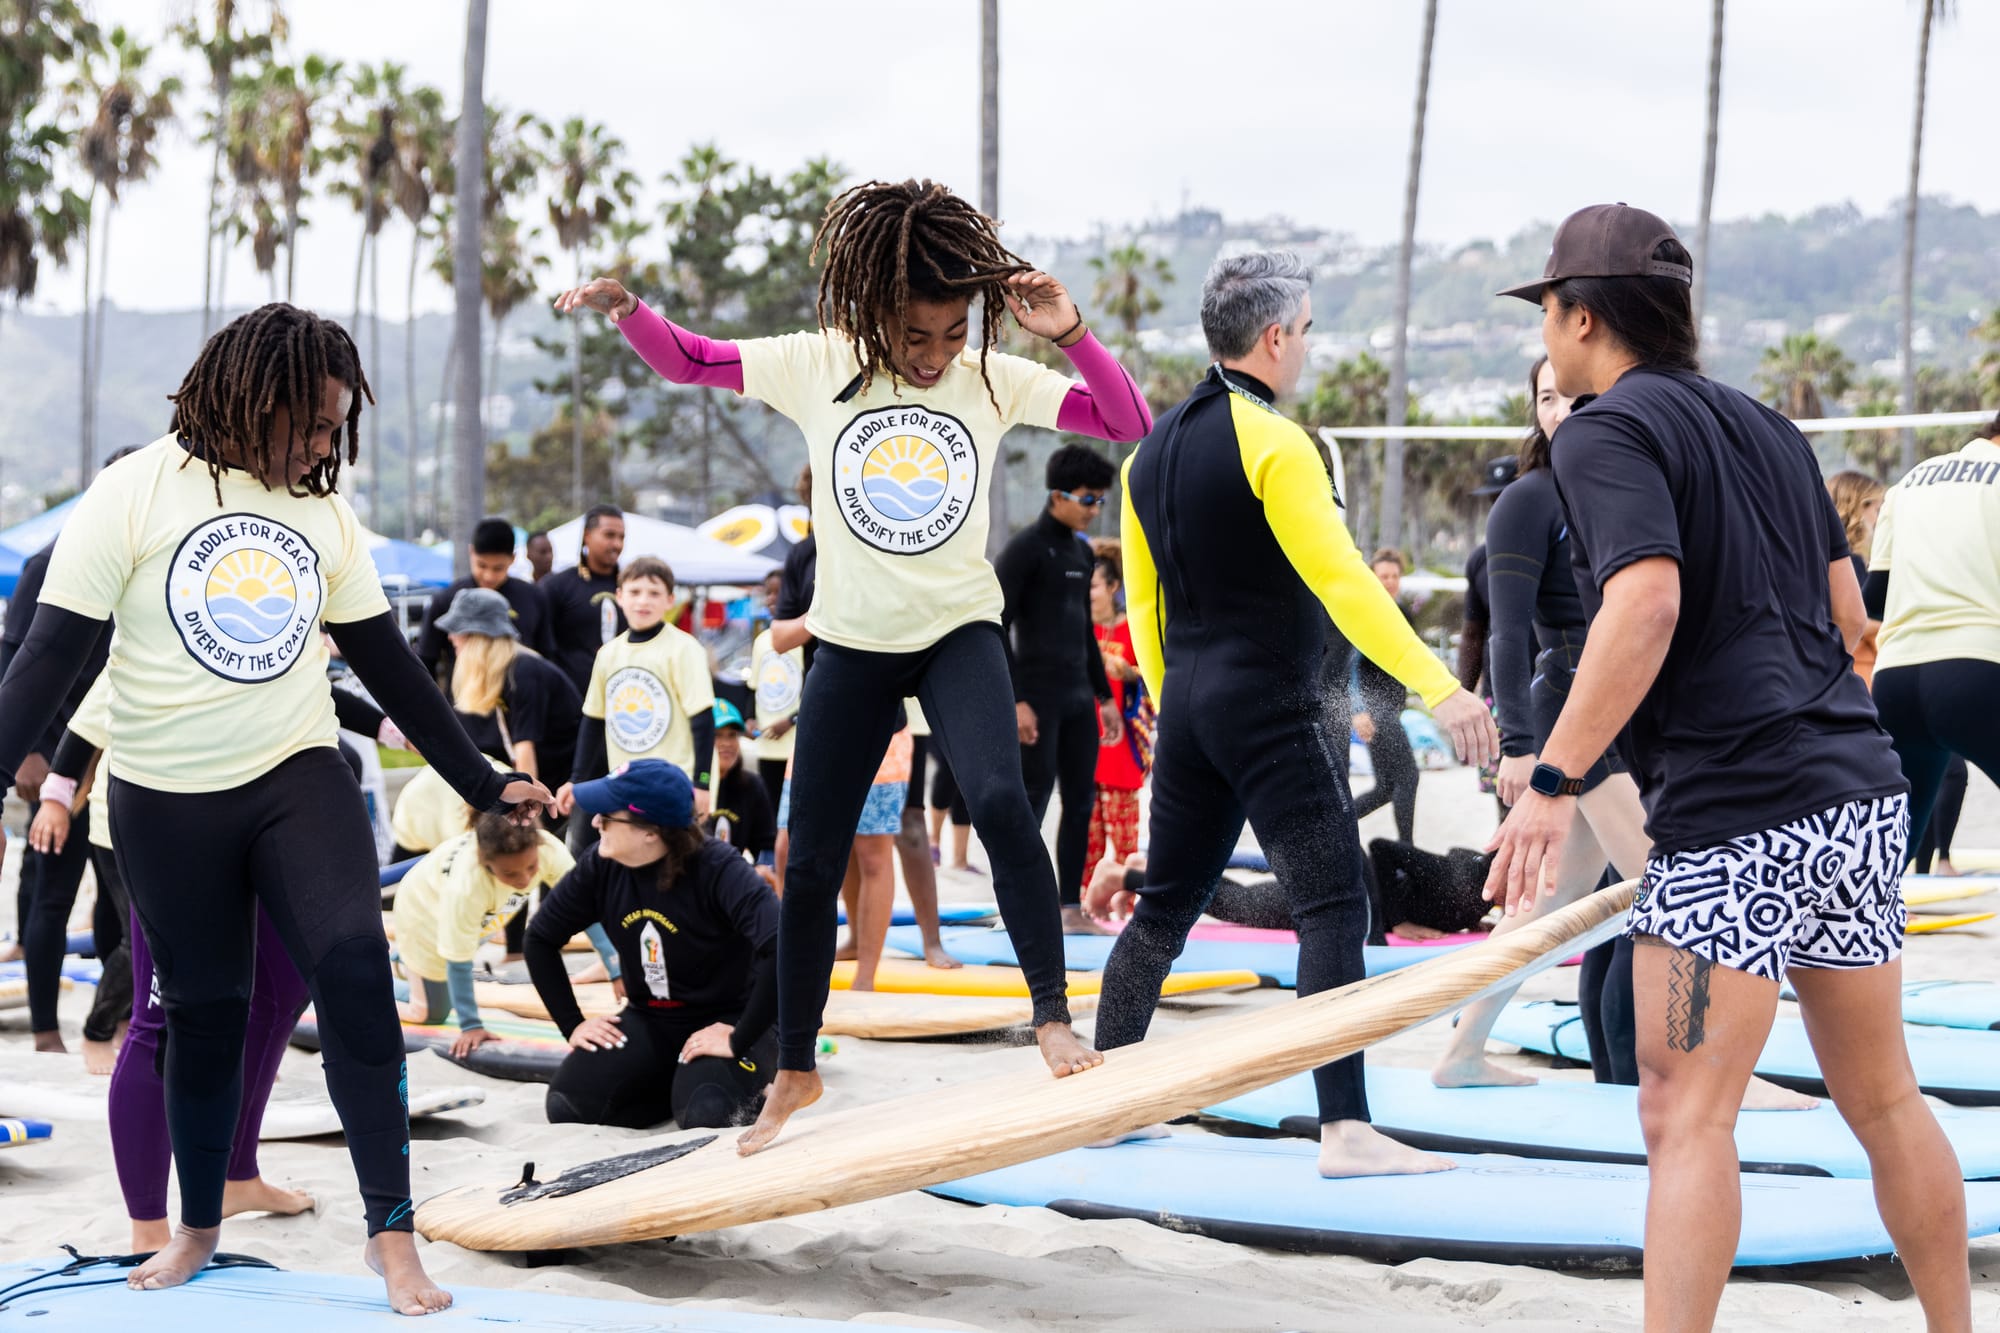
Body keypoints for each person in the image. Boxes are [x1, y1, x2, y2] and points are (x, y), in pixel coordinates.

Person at [556, 177, 1151, 1153]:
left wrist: (1070, 329)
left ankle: (1050, 1015)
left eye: (951, 333)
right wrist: (629, 310)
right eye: (914, 337)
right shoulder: (820, 363)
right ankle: (794, 1067)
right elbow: (692, 360)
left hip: (958, 630)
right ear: (874, 316)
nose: (933, 356)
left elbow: (1120, 423)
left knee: (1000, 802)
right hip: (853, 642)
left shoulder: (990, 376)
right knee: (809, 856)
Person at [0, 302, 552, 1312]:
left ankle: (393, 1240)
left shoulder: (322, 512)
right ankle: (199, 1227)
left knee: (351, 971)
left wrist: (482, 780)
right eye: (304, 422)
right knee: (203, 1014)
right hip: (166, 799)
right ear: (244, 399)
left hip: (297, 776)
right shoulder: (130, 494)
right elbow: (50, 657)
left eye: (332, 426)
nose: (316, 444)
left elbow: (389, 666)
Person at [1486, 204, 1966, 1330]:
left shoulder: (1600, 430)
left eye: (1548, 312)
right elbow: (1853, 618)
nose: (1548, 338)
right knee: (1886, 1098)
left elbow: (1642, 601)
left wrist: (1549, 784)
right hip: (1855, 792)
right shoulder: (1768, 428)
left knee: (1685, 1114)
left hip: (1738, 810)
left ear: (1582, 314)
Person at [1099, 251, 1496, 1179]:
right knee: (1335, 902)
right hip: (1266, 706)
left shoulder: (1147, 455)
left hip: (1189, 710)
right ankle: (1346, 1128)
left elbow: (1143, 611)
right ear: (1276, 337)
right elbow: (1342, 581)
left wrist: (1177, 708)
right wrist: (1439, 684)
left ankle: (1107, 1098)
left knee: (1164, 906)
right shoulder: (1276, 443)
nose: (1309, 348)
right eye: (1308, 332)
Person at [1432, 354, 1656, 1090]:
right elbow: (1504, 632)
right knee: (1666, 882)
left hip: (1616, 703)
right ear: (1535, 411)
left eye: (1578, 396)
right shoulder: (1527, 500)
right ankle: (1702, 1065)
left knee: (1553, 905)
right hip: (1568, 703)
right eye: (1549, 399)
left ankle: (1462, 1053)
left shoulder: (1617, 491)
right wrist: (1521, 747)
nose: (1564, 410)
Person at [526, 760, 779, 1131]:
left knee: (707, 1113)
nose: (595, 822)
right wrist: (573, 1024)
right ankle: (677, 1083)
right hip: (651, 1017)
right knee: (570, 1104)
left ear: (651, 832)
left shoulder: (718, 867)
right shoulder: (601, 864)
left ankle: (734, 1082)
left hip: (732, 1016)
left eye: (608, 816)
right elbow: (539, 939)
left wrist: (741, 1035)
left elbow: (784, 947)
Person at [1868, 410, 2000, 886]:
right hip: (1977, 669)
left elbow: (1875, 596)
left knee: (1883, 862)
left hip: (1895, 677)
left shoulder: (1908, 484)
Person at [997, 444, 1123, 933]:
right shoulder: (1026, 549)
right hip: (1037, 699)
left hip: (1076, 700)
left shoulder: (1079, 550)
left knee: (1081, 802)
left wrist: (1105, 697)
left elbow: (1083, 633)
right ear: (1058, 495)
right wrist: (1015, 701)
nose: (1095, 510)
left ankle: (1069, 905)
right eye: (1089, 500)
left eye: (1100, 502)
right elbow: (996, 624)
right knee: (1033, 801)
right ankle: (1019, 904)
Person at [0, 534, 110, 1048]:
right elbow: (15, 660)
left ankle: (113, 1020)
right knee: (52, 892)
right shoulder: (52, 561)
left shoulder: (149, 554)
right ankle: (45, 1028)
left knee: (119, 901)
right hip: (54, 754)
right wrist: (22, 752)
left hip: (115, 758)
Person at [390, 807, 576, 1058]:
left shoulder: (550, 850)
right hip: (423, 913)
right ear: (485, 862)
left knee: (472, 939)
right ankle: (375, 979)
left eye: (531, 868)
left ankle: (408, 962)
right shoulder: (466, 887)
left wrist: (615, 967)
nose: (524, 879)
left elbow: (584, 908)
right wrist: (471, 1026)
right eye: (510, 873)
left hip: (478, 917)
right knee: (428, 1013)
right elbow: (458, 962)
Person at [558, 556, 716, 851]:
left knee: (681, 863)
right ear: (619, 597)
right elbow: (593, 721)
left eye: (654, 593)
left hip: (678, 785)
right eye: (634, 592)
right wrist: (575, 780)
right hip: (627, 785)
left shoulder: (684, 649)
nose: (643, 601)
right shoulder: (608, 654)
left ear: (670, 600)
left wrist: (702, 784)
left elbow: (703, 721)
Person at [435, 587, 582, 792]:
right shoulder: (501, 670)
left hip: (569, 786)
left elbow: (525, 749)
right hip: (550, 780)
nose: (451, 637)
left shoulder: (523, 671)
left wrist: (526, 810)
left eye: (458, 630)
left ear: (479, 636)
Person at [415, 516, 551, 684]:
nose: (489, 576)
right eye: (482, 565)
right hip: (462, 702)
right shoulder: (445, 600)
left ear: (513, 558)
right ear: (471, 552)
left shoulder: (533, 597)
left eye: (498, 568)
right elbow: (425, 662)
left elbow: (547, 656)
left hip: (519, 701)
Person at [1349, 549, 1423, 844]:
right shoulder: (1365, 613)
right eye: (1383, 576)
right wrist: (1358, 710)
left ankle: (1333, 827)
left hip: (1392, 708)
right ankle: (1407, 850)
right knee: (1408, 777)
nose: (1390, 582)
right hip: (1374, 708)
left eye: (1394, 576)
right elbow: (1350, 664)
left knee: (1385, 788)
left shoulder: (1402, 612)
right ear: (1373, 578)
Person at [1087, 554, 1148, 889]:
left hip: (1120, 752)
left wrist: (1129, 673)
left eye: (1093, 585)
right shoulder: (1075, 629)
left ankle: (1127, 906)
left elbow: (1154, 680)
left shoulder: (1132, 629)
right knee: (1085, 842)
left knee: (1126, 844)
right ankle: (1081, 904)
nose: (1087, 592)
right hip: (1081, 746)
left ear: (1112, 587)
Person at [543, 504, 627, 694]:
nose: (617, 544)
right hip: (571, 703)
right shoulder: (557, 586)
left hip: (624, 700)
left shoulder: (633, 588)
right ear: (587, 536)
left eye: (621, 537)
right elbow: (544, 648)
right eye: (609, 535)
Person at [1827, 470, 1885, 687]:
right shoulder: (1849, 563)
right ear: (1860, 507)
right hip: (1853, 667)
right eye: (1877, 510)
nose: (1879, 520)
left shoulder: (1819, 554)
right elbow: (1853, 619)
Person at [708, 701, 777, 865]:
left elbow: (767, 845)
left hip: (734, 881)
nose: (727, 743)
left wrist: (763, 870)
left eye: (732, 735)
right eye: (717, 735)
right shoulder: (688, 786)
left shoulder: (752, 785)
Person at [746, 614, 803, 812]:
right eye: (768, 593)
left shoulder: (805, 638)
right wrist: (750, 718)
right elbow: (754, 686)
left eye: (778, 592)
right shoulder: (761, 640)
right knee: (770, 808)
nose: (772, 599)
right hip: (767, 745)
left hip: (796, 746)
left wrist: (790, 720)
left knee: (796, 810)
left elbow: (817, 694)